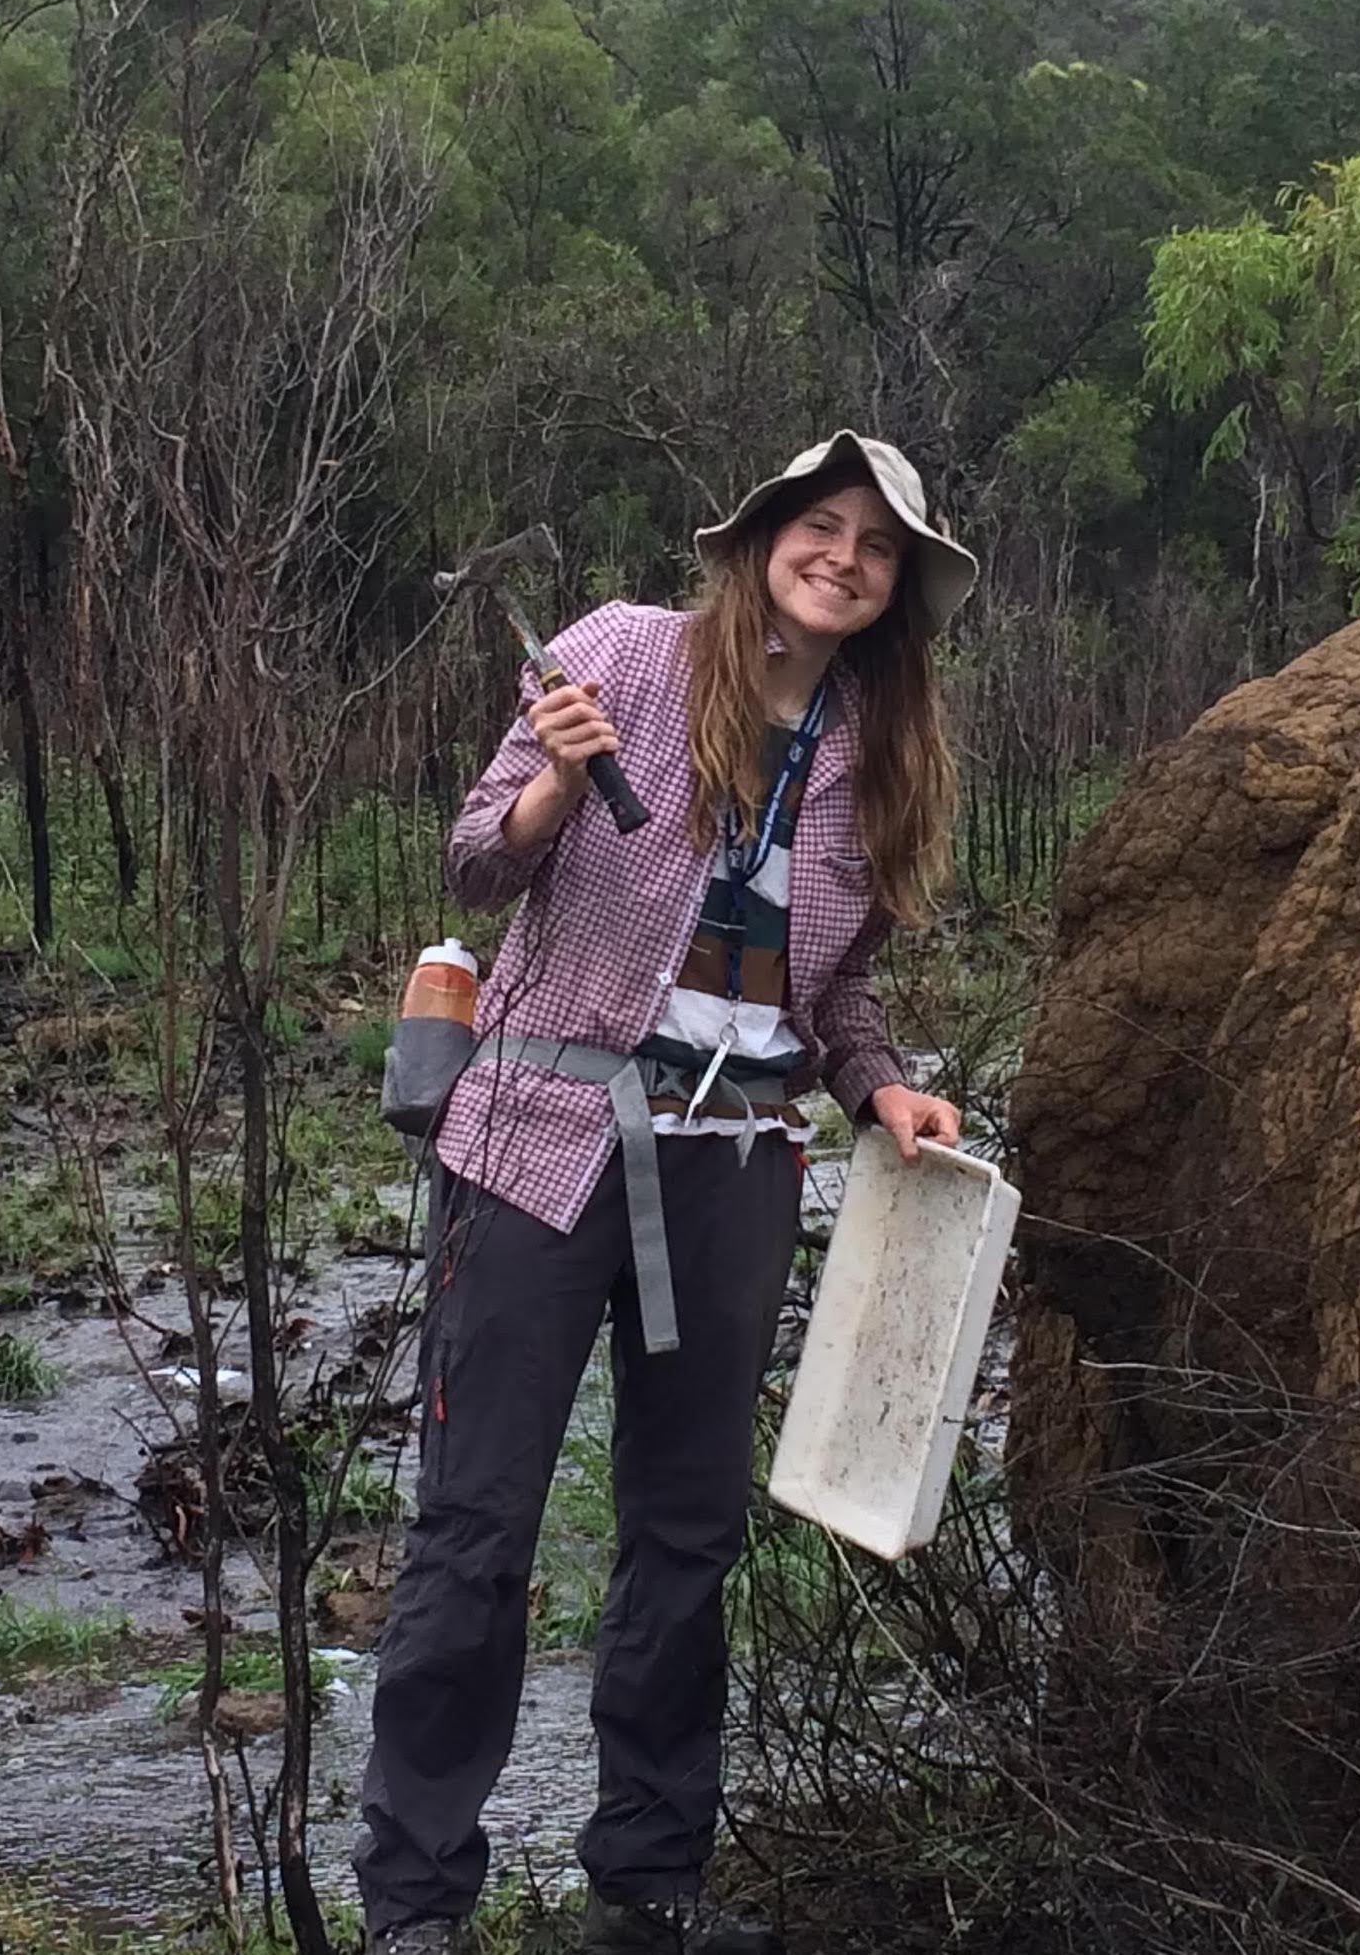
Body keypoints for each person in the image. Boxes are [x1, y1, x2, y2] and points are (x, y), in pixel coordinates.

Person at [355, 433, 977, 1955]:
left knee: (686, 1534)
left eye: (875, 547)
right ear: (762, 536)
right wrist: (560, 781)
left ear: (897, 588)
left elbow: (833, 996)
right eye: (819, 527)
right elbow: (476, 868)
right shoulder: (619, 657)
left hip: (735, 1168)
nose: (842, 557)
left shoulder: (876, 743)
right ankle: (417, 1904)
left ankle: (648, 1878)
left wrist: (878, 1086)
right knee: (478, 1527)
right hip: (536, 1140)